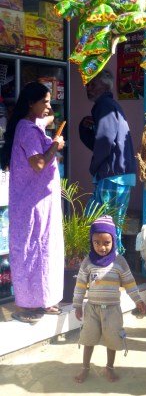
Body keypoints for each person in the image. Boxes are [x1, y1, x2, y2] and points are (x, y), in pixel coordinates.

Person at [1, 82, 65, 323]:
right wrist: (55, 147)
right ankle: (27, 306)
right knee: (31, 250)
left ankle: (44, 300)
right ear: (31, 103)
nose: (49, 106)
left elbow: (42, 124)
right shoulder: (27, 129)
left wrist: (50, 131)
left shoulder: (30, 126)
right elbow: (38, 164)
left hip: (40, 202)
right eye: (45, 101)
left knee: (44, 249)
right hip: (31, 203)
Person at [73, 215, 146, 383]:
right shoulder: (87, 262)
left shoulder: (120, 262)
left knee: (112, 340)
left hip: (113, 310)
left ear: (113, 240)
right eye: (97, 242)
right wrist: (77, 304)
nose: (102, 247)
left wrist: (138, 299)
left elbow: (129, 282)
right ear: (92, 242)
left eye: (106, 242)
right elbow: (80, 285)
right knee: (88, 339)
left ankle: (109, 368)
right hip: (92, 308)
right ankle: (85, 368)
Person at [79, 70, 136, 255]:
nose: (88, 87)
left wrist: (94, 166)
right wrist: (85, 129)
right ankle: (112, 267)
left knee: (104, 226)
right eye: (88, 84)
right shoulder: (108, 106)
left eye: (93, 84)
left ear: (105, 86)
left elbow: (104, 141)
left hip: (113, 175)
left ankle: (111, 268)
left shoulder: (105, 105)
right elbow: (100, 142)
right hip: (117, 175)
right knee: (107, 225)